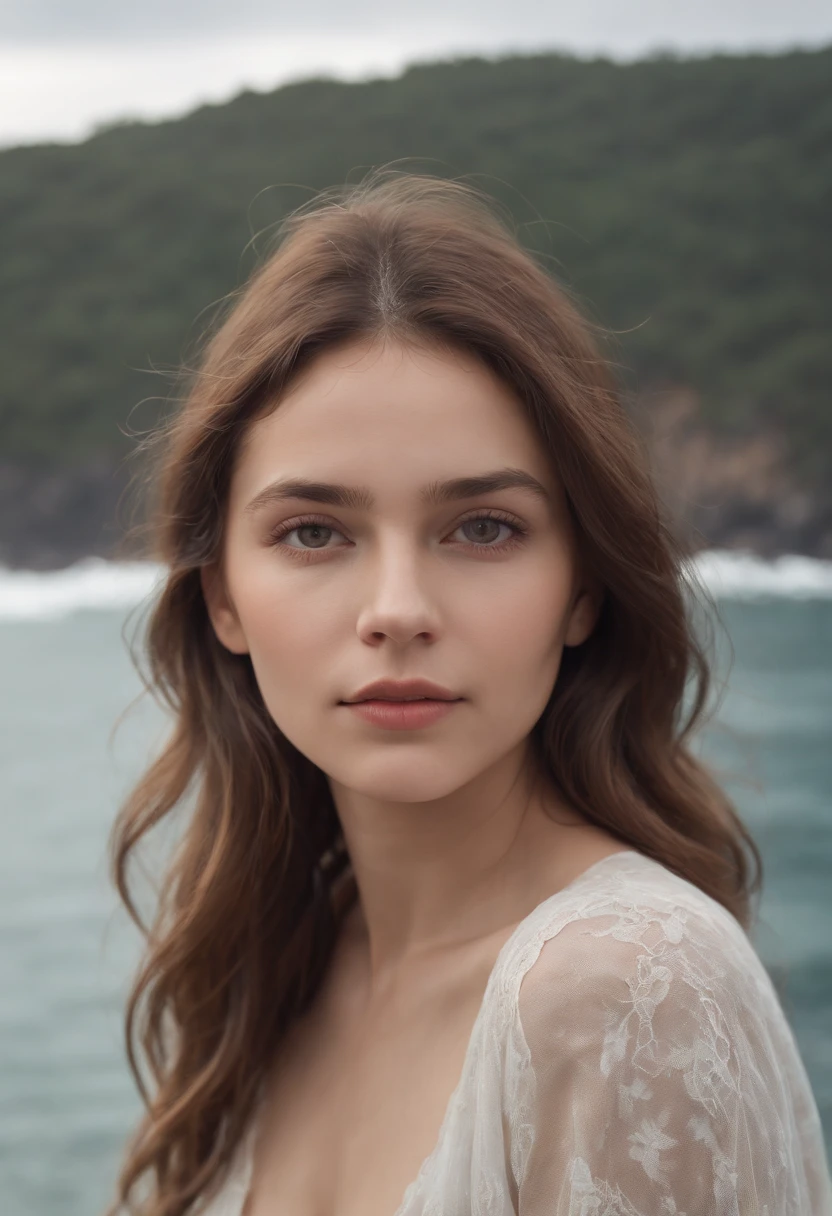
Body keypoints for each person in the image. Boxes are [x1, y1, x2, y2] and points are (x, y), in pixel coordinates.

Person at [106, 171, 832, 1216]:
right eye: (314, 531)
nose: (397, 609)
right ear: (222, 596)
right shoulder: (282, 958)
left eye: (482, 527)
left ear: (581, 585)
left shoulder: (618, 988)